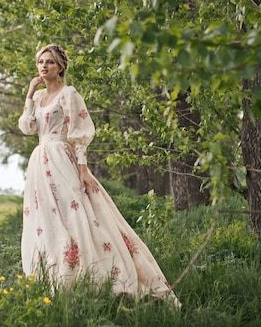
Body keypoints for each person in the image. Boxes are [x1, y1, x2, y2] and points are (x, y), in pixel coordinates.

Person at [18, 43, 180, 306]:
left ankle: (97, 276)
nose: (43, 66)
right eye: (40, 62)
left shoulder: (69, 94)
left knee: (77, 217)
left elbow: (80, 133)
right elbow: (27, 127)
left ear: (60, 67)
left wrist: (83, 170)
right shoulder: (37, 98)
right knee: (46, 221)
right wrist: (29, 94)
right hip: (39, 165)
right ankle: (57, 280)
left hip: (62, 159)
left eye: (49, 62)